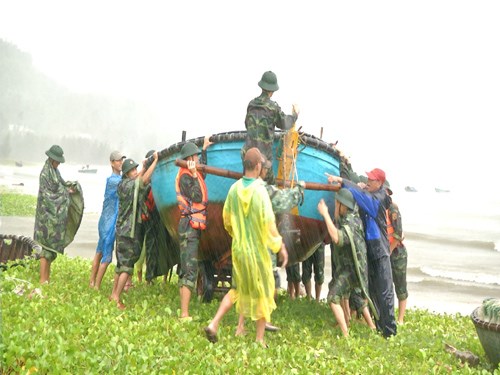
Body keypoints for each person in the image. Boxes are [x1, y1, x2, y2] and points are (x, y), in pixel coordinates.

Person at [204, 148, 288, 347]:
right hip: (258, 252)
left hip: (239, 250)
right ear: (258, 166)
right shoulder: (260, 191)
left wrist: (238, 235)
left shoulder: (234, 189)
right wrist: (279, 246)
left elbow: (227, 219)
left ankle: (214, 323)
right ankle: (259, 340)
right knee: (263, 291)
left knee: (236, 289)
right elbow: (269, 223)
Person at [326, 168, 397, 338]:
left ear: (379, 183)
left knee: (385, 291)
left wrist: (345, 184)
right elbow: (360, 193)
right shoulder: (372, 193)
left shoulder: (378, 198)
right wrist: (341, 179)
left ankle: (389, 331)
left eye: (371, 180)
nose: (368, 182)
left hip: (380, 250)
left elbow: (361, 197)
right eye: (368, 179)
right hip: (370, 250)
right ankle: (380, 326)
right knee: (372, 290)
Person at [318, 189, 376, 337]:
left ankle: (346, 334)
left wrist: (325, 214)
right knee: (342, 290)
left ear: (343, 205)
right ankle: (358, 323)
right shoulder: (352, 216)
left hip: (352, 270)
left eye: (337, 203)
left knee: (333, 296)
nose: (335, 205)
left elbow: (337, 238)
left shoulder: (350, 221)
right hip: (350, 267)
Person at [109, 153, 159, 310]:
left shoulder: (124, 184)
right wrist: (155, 162)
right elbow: (142, 180)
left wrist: (144, 166)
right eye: (132, 170)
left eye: (136, 169)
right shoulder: (128, 185)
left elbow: (140, 180)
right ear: (126, 173)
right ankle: (117, 297)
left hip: (122, 231)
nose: (135, 171)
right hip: (128, 231)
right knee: (127, 266)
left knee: (120, 265)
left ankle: (113, 295)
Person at [34, 145, 83, 285]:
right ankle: (43, 279)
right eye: (57, 160)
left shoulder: (55, 171)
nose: (59, 163)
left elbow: (60, 186)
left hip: (54, 218)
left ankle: (46, 278)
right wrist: (65, 192)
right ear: (51, 158)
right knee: (46, 249)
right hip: (46, 218)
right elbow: (49, 195)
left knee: (51, 250)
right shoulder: (45, 173)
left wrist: (70, 188)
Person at [176, 136, 212, 321]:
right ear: (190, 159)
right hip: (188, 227)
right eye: (196, 157)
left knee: (189, 267)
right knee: (189, 269)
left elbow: (202, 174)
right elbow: (197, 196)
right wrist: (193, 174)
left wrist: (204, 150)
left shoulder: (191, 174)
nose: (198, 160)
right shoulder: (185, 177)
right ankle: (184, 314)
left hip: (192, 227)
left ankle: (185, 312)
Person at [242, 70, 299, 184]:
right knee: (270, 190)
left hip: (247, 157)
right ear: (272, 91)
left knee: (247, 184)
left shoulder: (251, 104)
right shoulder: (273, 108)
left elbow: (247, 124)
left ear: (262, 87)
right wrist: (295, 115)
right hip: (263, 161)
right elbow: (285, 124)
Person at [89, 150, 125, 289]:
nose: (120, 163)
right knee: (106, 256)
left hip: (104, 220)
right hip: (109, 223)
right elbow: (132, 182)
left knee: (99, 251)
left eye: (121, 160)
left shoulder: (116, 180)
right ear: (111, 163)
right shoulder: (114, 181)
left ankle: (92, 281)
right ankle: (96, 285)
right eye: (117, 160)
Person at [385, 181, 408, 324]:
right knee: (387, 286)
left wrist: (389, 251)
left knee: (400, 285)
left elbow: (399, 233)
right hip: (387, 251)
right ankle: (390, 314)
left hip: (397, 252)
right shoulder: (380, 208)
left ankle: (400, 319)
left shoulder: (392, 208)